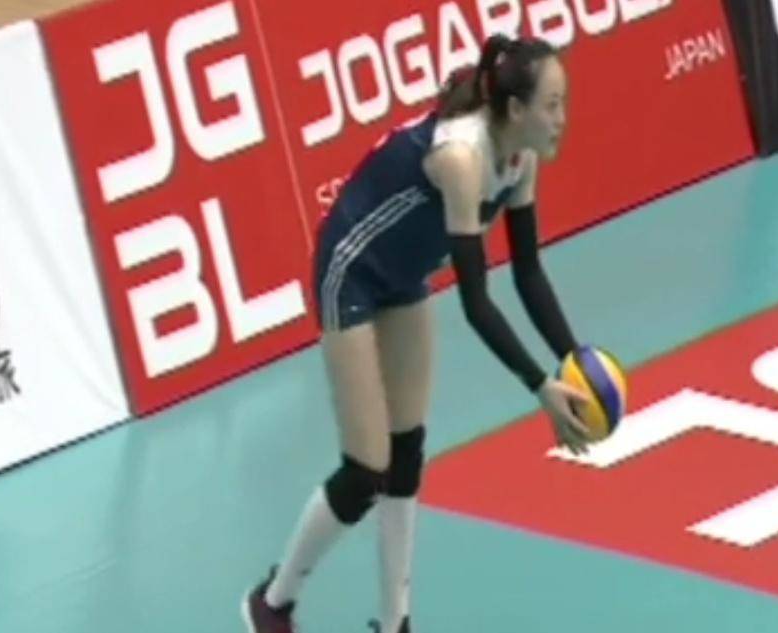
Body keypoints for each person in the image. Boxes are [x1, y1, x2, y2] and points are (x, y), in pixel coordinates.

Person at [242, 32, 593, 633]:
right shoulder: (462, 160)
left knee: (406, 456)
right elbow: (476, 302)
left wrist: (575, 360)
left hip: (403, 277)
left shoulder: (521, 161)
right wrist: (541, 386)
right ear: (515, 109)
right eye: (553, 104)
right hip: (351, 271)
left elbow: (529, 274)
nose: (563, 118)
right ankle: (272, 604)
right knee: (366, 469)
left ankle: (395, 622)